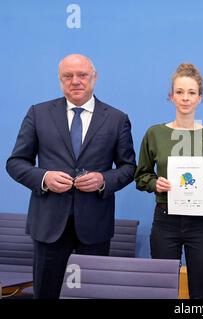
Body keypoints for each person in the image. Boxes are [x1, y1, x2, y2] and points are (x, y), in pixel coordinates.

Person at [6, 54, 136, 298]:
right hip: (48, 225)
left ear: (94, 78)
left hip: (95, 226)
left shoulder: (117, 119)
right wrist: (44, 178)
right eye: (68, 76)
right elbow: (15, 163)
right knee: (45, 294)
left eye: (82, 75)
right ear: (60, 80)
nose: (75, 81)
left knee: (91, 295)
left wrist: (103, 180)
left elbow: (129, 168)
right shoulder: (38, 113)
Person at [134, 63, 203, 299]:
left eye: (191, 93)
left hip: (201, 222)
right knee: (163, 288)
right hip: (165, 220)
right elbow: (141, 176)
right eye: (180, 92)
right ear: (171, 96)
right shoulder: (155, 133)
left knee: (200, 291)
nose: (185, 98)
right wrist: (155, 184)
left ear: (200, 98)